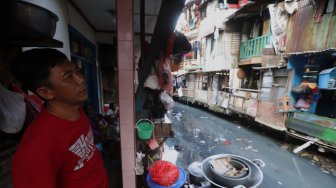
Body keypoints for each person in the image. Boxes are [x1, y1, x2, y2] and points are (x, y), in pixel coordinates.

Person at [11, 48, 108, 188]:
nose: (81, 79)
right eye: (68, 76)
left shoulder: (76, 109)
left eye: (76, 71)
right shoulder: (36, 148)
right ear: (46, 92)